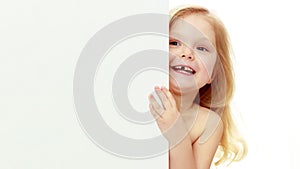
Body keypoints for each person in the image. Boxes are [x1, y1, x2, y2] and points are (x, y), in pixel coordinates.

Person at [148, 5, 247, 169]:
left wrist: (177, 133)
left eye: (201, 48)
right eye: (174, 42)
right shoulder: (142, 95)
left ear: (213, 73)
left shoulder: (208, 124)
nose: (186, 53)